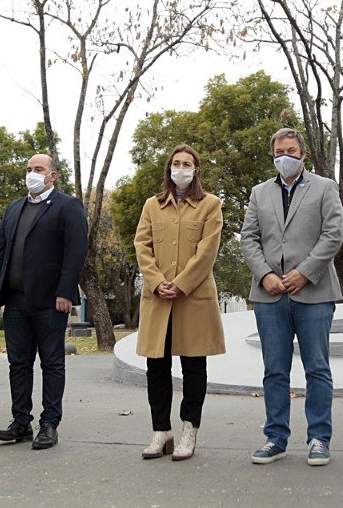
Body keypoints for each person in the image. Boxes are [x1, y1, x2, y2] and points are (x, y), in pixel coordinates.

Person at [240, 127, 343, 467]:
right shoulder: (259, 193)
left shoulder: (324, 188)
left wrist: (305, 272)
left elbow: (333, 234)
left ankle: (319, 438)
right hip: (269, 295)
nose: (285, 156)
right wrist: (265, 274)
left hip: (314, 292)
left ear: (302, 154)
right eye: (279, 152)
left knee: (317, 369)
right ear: (273, 155)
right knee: (274, 371)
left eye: (291, 151)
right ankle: (276, 438)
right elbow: (249, 238)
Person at [0, 154, 88, 450]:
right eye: (29, 169)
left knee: (52, 363)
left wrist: (65, 292)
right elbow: (0, 251)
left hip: (50, 301)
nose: (31, 173)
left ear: (52, 176)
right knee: (18, 364)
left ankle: (49, 424)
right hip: (16, 299)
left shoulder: (68, 206)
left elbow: (76, 251)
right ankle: (21, 422)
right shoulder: (14, 208)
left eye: (38, 169)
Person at [133, 144, 226, 461]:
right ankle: (161, 431)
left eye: (187, 164)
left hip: (193, 298)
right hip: (157, 298)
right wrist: (157, 281)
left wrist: (181, 284)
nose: (181, 168)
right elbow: (142, 246)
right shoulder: (152, 205)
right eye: (176, 163)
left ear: (196, 170)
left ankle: (189, 429)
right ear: (169, 169)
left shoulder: (210, 204)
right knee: (156, 367)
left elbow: (207, 251)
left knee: (193, 367)